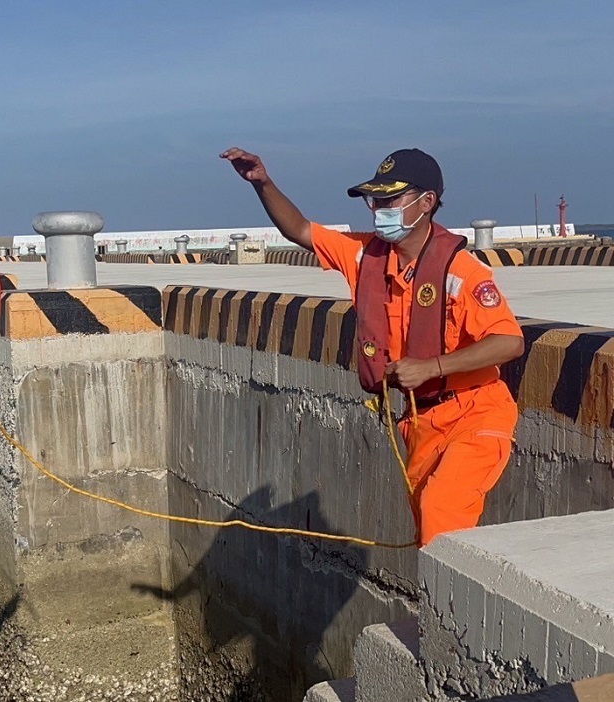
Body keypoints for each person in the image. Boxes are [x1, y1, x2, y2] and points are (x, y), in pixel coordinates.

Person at [221, 146, 525, 546]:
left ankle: (439, 610)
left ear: (427, 202)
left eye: (390, 198)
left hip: (476, 412)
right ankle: (437, 607)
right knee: (430, 532)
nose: (378, 208)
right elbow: (300, 230)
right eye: (375, 199)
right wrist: (263, 183)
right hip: (420, 423)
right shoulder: (366, 256)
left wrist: (432, 367)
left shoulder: (461, 271)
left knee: (441, 513)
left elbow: (510, 341)